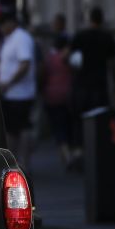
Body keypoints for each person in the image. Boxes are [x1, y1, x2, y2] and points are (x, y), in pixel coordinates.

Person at [69, 6, 115, 163]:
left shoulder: (80, 36)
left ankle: (79, 150)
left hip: (82, 84)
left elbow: (70, 58)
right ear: (102, 19)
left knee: (79, 118)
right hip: (99, 84)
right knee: (100, 118)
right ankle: (99, 149)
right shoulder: (107, 37)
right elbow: (113, 63)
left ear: (90, 19)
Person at [0, 9, 37, 170]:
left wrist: (9, 82)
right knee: (12, 129)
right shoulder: (10, 39)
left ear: (10, 23)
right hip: (11, 94)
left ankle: (23, 163)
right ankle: (15, 162)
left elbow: (25, 64)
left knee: (21, 128)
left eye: (2, 25)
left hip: (21, 94)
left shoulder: (21, 38)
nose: (1, 29)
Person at [42, 34, 73, 166]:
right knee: (67, 125)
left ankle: (65, 155)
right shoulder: (69, 59)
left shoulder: (49, 58)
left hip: (51, 96)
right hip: (68, 95)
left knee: (58, 127)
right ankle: (69, 154)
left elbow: (43, 75)